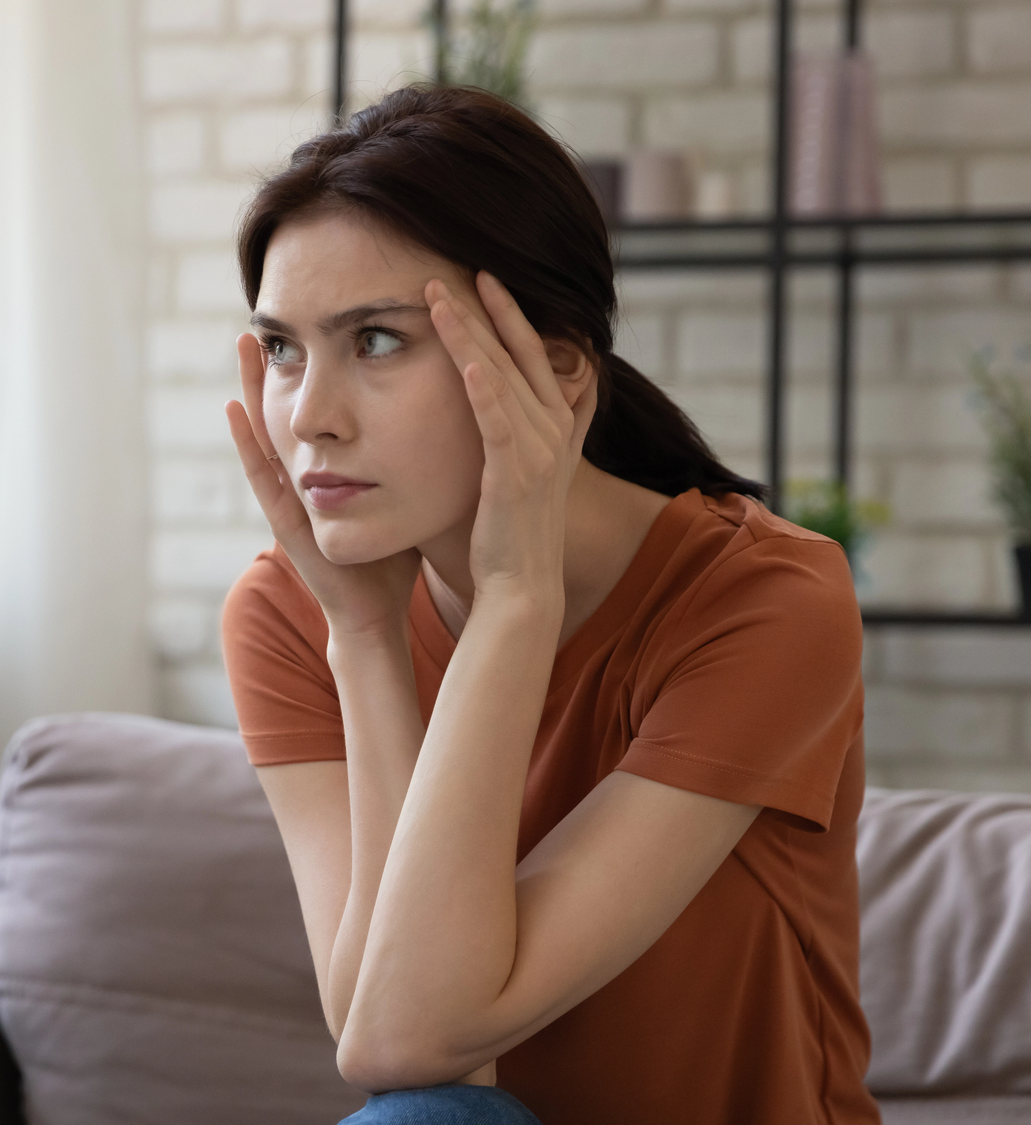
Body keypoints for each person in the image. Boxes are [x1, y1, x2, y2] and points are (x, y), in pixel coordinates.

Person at [219, 84, 878, 1125]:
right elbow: (383, 1033)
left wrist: (515, 600)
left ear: (556, 371)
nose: (308, 418)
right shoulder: (291, 614)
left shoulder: (762, 601)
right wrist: (365, 637)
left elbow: (409, 1038)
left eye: (377, 341)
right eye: (284, 349)